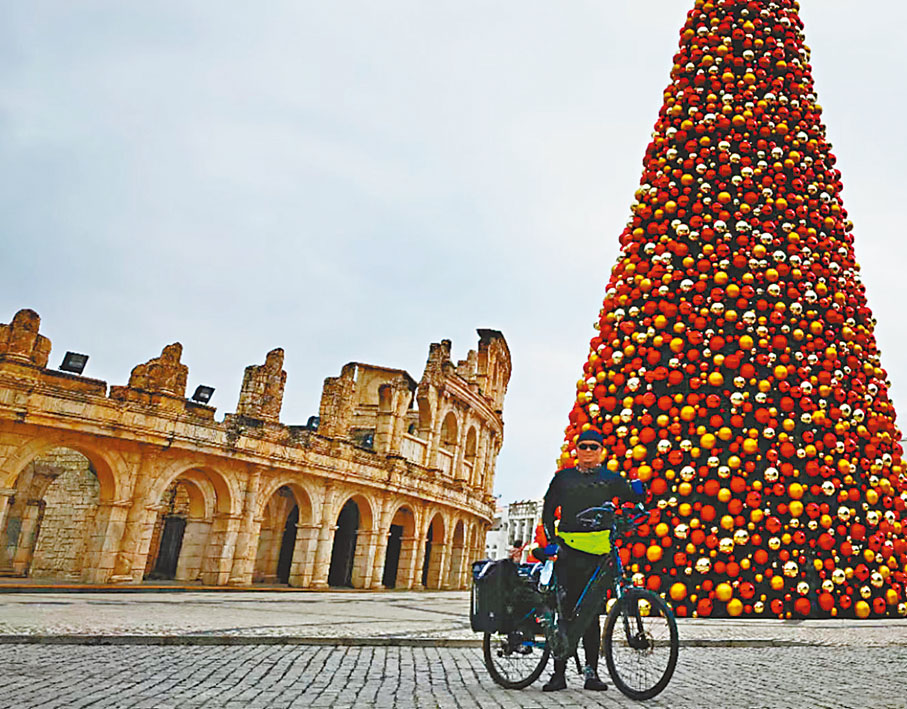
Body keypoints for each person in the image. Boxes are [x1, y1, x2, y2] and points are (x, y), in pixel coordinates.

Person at [540, 428, 644, 692]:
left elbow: (632, 497)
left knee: (591, 615)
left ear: (601, 451)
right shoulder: (563, 478)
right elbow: (549, 509)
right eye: (583, 446)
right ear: (576, 450)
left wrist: (640, 490)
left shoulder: (610, 478)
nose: (588, 451)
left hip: (598, 556)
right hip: (568, 553)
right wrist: (552, 540)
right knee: (565, 609)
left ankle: (591, 673)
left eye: (593, 447)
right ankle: (558, 674)